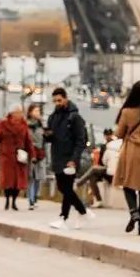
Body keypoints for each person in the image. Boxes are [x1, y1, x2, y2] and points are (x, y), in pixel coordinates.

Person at [113, 81, 140, 236]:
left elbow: (118, 133)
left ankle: (133, 212)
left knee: (127, 184)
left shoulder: (127, 111)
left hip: (131, 152)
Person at [45, 86, 89, 230]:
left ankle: (63, 218)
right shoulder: (53, 117)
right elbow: (52, 136)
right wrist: (48, 136)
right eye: (55, 101)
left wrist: (74, 159)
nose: (57, 103)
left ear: (65, 98)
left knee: (68, 188)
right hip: (57, 157)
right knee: (62, 188)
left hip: (70, 159)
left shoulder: (74, 117)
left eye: (59, 100)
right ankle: (83, 211)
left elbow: (81, 140)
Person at [0, 107, 34, 212]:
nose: (20, 115)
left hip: (19, 157)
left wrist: (32, 154)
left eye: (20, 113)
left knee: (17, 182)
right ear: (12, 114)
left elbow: (28, 140)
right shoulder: (3, 124)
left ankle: (14, 202)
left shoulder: (24, 125)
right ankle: (7, 200)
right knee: (7, 181)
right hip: (6, 157)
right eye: (17, 113)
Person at [25, 103, 45, 210]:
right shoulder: (25, 125)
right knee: (31, 177)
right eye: (35, 111)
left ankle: (35, 197)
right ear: (30, 112)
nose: (38, 113)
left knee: (38, 178)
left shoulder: (41, 124)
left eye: (39, 111)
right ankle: (31, 200)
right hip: (29, 154)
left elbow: (45, 139)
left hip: (40, 153)